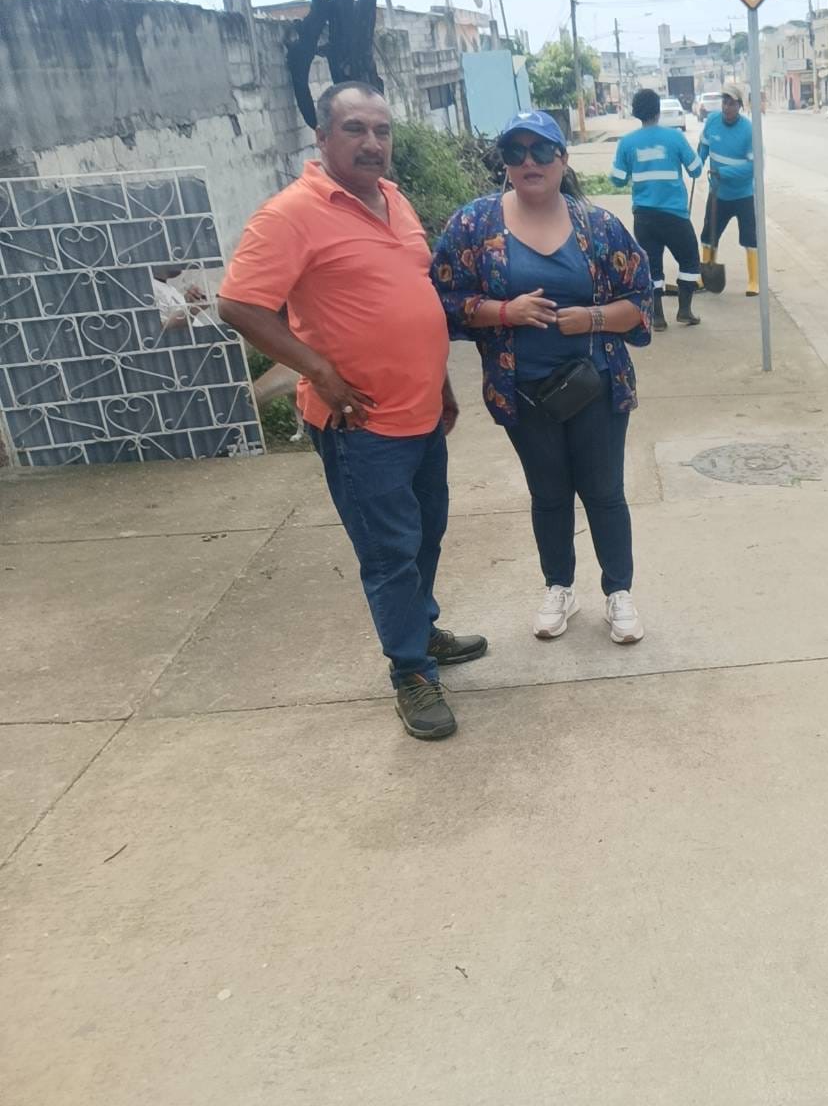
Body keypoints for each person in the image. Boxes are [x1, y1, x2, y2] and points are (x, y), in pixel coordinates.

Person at [218, 81, 485, 743]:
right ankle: (411, 672)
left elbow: (412, 298)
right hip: (360, 424)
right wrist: (319, 370)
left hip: (422, 411)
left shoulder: (394, 199)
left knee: (425, 533)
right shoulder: (291, 214)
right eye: (354, 129)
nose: (372, 143)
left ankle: (420, 629)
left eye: (381, 130)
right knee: (389, 551)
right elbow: (239, 304)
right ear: (321, 137)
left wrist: (441, 381)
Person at [430, 110, 654, 646]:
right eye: (516, 152)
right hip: (522, 391)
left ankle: (618, 592)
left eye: (542, 151)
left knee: (604, 491)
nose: (529, 162)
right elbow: (442, 298)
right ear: (505, 162)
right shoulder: (473, 225)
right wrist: (504, 312)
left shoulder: (599, 227)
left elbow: (640, 300)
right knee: (548, 493)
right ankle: (559, 587)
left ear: (563, 159)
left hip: (596, 385)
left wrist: (592, 318)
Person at [611, 87, 704, 331]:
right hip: (674, 215)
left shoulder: (627, 143)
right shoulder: (674, 137)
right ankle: (685, 310)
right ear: (658, 110)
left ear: (635, 112)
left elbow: (617, 179)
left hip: (643, 216)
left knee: (652, 265)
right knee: (690, 259)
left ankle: (658, 317)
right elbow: (696, 169)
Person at [698, 83, 760, 298]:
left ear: (740, 106)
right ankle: (705, 274)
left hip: (743, 195)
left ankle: (754, 280)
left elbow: (754, 167)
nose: (726, 107)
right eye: (724, 102)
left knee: (750, 238)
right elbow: (704, 146)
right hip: (718, 194)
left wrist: (724, 172)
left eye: (731, 103)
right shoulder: (712, 121)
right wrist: (698, 163)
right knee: (709, 234)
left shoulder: (748, 130)